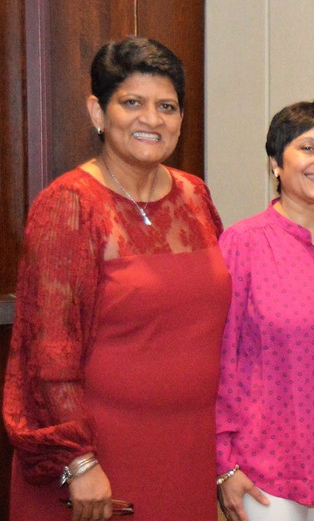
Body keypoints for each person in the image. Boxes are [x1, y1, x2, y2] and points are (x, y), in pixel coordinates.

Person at [3, 36, 231, 520]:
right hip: (99, 462)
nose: (152, 118)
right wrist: (79, 460)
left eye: (167, 106)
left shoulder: (195, 195)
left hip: (188, 448)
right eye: (132, 103)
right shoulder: (69, 204)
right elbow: (48, 352)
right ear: (98, 112)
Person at [215, 100, 314, 521]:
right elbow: (219, 357)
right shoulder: (243, 242)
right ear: (275, 163)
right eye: (307, 148)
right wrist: (224, 463)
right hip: (265, 470)